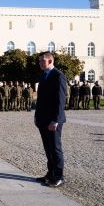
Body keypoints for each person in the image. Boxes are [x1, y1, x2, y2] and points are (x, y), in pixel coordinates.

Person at [34, 52, 66, 188]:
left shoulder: (58, 76)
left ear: (50, 61)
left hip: (53, 120)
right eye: (39, 61)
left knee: (55, 148)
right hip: (43, 119)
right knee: (48, 148)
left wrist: (56, 120)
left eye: (42, 61)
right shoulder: (43, 75)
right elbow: (40, 99)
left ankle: (59, 176)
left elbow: (60, 99)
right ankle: (50, 173)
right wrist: (36, 116)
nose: (40, 63)